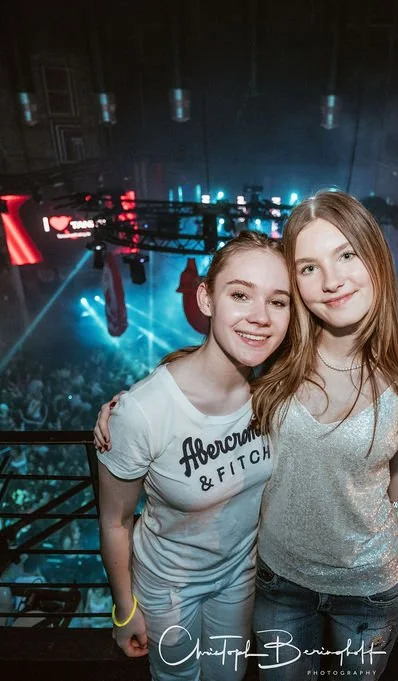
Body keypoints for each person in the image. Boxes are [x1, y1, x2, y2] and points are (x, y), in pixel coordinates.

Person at [248, 190, 398, 680]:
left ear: (375, 256)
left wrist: (396, 522)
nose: (331, 281)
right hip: (279, 581)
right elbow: (205, 372)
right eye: (309, 267)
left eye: (346, 255)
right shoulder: (272, 358)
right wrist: (130, 405)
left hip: (371, 591)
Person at [96, 231, 291, 681]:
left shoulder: (277, 391)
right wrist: (125, 610)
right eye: (240, 294)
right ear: (206, 298)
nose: (260, 316)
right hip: (168, 588)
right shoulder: (144, 411)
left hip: (240, 576)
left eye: (278, 302)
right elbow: (115, 522)